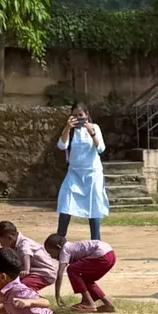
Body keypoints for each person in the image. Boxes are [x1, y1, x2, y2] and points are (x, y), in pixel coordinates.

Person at [56, 102, 108, 242]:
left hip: (93, 174)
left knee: (94, 207)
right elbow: (62, 146)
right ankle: (59, 240)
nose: (78, 118)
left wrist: (92, 133)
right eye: (74, 115)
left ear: (86, 115)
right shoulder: (70, 130)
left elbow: (101, 148)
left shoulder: (95, 127)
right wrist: (67, 128)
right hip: (74, 173)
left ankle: (96, 242)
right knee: (65, 204)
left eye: (80, 115)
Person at [43, 234, 116, 313]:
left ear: (58, 247)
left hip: (101, 255)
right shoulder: (72, 247)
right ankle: (108, 305)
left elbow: (60, 274)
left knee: (71, 270)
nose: (51, 256)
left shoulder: (64, 250)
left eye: (51, 253)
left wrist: (57, 295)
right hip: (110, 254)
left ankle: (88, 303)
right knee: (86, 279)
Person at [0, 221, 57, 292]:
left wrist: (26, 270)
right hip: (33, 273)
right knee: (11, 285)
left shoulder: (24, 243)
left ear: (10, 238)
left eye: (1, 242)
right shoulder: (13, 245)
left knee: (22, 287)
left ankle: (34, 298)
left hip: (44, 273)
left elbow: (26, 254)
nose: (1, 245)